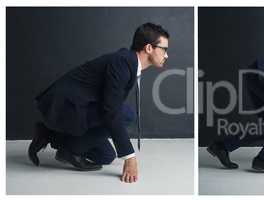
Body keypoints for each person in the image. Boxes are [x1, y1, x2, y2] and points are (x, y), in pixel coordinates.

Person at [28, 22, 170, 183]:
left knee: (105, 156)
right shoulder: (122, 62)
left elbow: (110, 106)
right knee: (126, 114)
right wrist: (130, 157)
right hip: (65, 106)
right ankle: (68, 149)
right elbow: (111, 111)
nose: (166, 55)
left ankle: (49, 135)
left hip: (82, 107)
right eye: (164, 49)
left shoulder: (129, 64)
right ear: (149, 48)